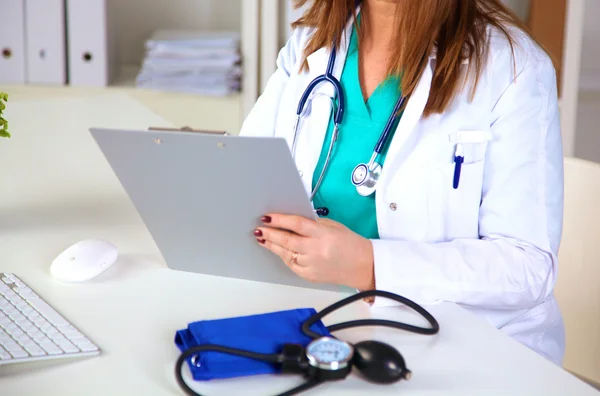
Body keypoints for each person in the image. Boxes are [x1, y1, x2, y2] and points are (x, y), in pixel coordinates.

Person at [240, 0, 565, 365]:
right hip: (322, 320)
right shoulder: (311, 42)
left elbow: (527, 267)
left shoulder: (514, 68)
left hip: (466, 348)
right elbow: (243, 175)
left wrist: (370, 265)